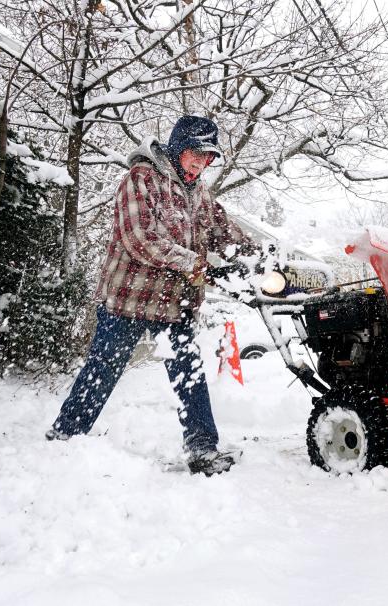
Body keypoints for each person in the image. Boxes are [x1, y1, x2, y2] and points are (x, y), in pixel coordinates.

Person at [46, 115, 257, 476]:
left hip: (174, 303)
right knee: (103, 370)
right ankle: (65, 437)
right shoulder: (141, 179)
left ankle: (203, 449)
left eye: (208, 156)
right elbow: (140, 238)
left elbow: (223, 229)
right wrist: (197, 264)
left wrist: (253, 256)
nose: (201, 162)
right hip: (129, 298)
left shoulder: (198, 191)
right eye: (196, 152)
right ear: (178, 148)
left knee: (189, 373)